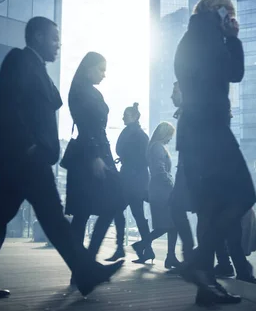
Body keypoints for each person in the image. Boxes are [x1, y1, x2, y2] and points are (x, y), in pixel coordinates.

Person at [0, 17, 123, 298]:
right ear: (36, 37)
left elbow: (42, 103)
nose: (59, 44)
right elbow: (11, 108)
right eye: (54, 38)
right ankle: (85, 272)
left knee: (0, 218)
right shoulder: (19, 60)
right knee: (53, 219)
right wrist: (29, 147)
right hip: (27, 158)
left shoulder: (35, 66)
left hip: (26, 159)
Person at [174, 0, 256, 306]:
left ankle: (205, 286)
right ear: (218, 11)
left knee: (210, 208)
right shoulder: (209, 35)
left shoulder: (191, 36)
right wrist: (232, 38)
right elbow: (234, 73)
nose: (231, 18)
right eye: (228, 12)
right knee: (242, 195)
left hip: (196, 132)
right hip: (210, 130)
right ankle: (197, 263)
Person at [65, 52, 126, 281]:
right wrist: (95, 156)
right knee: (93, 208)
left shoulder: (87, 90)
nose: (104, 74)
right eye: (101, 69)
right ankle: (85, 266)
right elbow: (86, 126)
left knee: (99, 207)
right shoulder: (80, 91)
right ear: (89, 67)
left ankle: (84, 267)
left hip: (96, 153)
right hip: (91, 155)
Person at [106, 103, 151, 262]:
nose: (123, 117)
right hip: (131, 178)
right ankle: (146, 249)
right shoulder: (136, 133)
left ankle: (123, 248)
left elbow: (144, 159)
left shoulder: (138, 134)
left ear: (134, 116)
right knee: (136, 213)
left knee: (123, 210)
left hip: (133, 180)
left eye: (126, 114)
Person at [132, 122, 181, 268]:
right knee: (167, 225)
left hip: (159, 190)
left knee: (171, 225)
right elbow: (160, 170)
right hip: (163, 191)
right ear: (165, 134)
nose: (170, 139)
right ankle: (143, 245)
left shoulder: (154, 147)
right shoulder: (158, 148)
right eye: (170, 135)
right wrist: (172, 184)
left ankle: (169, 256)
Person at [168, 82, 195, 264]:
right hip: (187, 169)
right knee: (205, 214)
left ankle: (190, 255)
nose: (171, 96)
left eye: (175, 91)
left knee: (177, 206)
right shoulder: (186, 113)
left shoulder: (190, 113)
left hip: (190, 170)